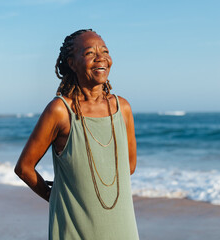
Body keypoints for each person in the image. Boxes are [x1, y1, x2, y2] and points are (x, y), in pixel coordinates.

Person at [14, 29, 139, 240]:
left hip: (122, 227)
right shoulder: (60, 111)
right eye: (90, 53)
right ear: (72, 63)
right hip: (74, 228)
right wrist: (55, 196)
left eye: (105, 51)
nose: (101, 58)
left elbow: (129, 166)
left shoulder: (122, 107)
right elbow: (24, 168)